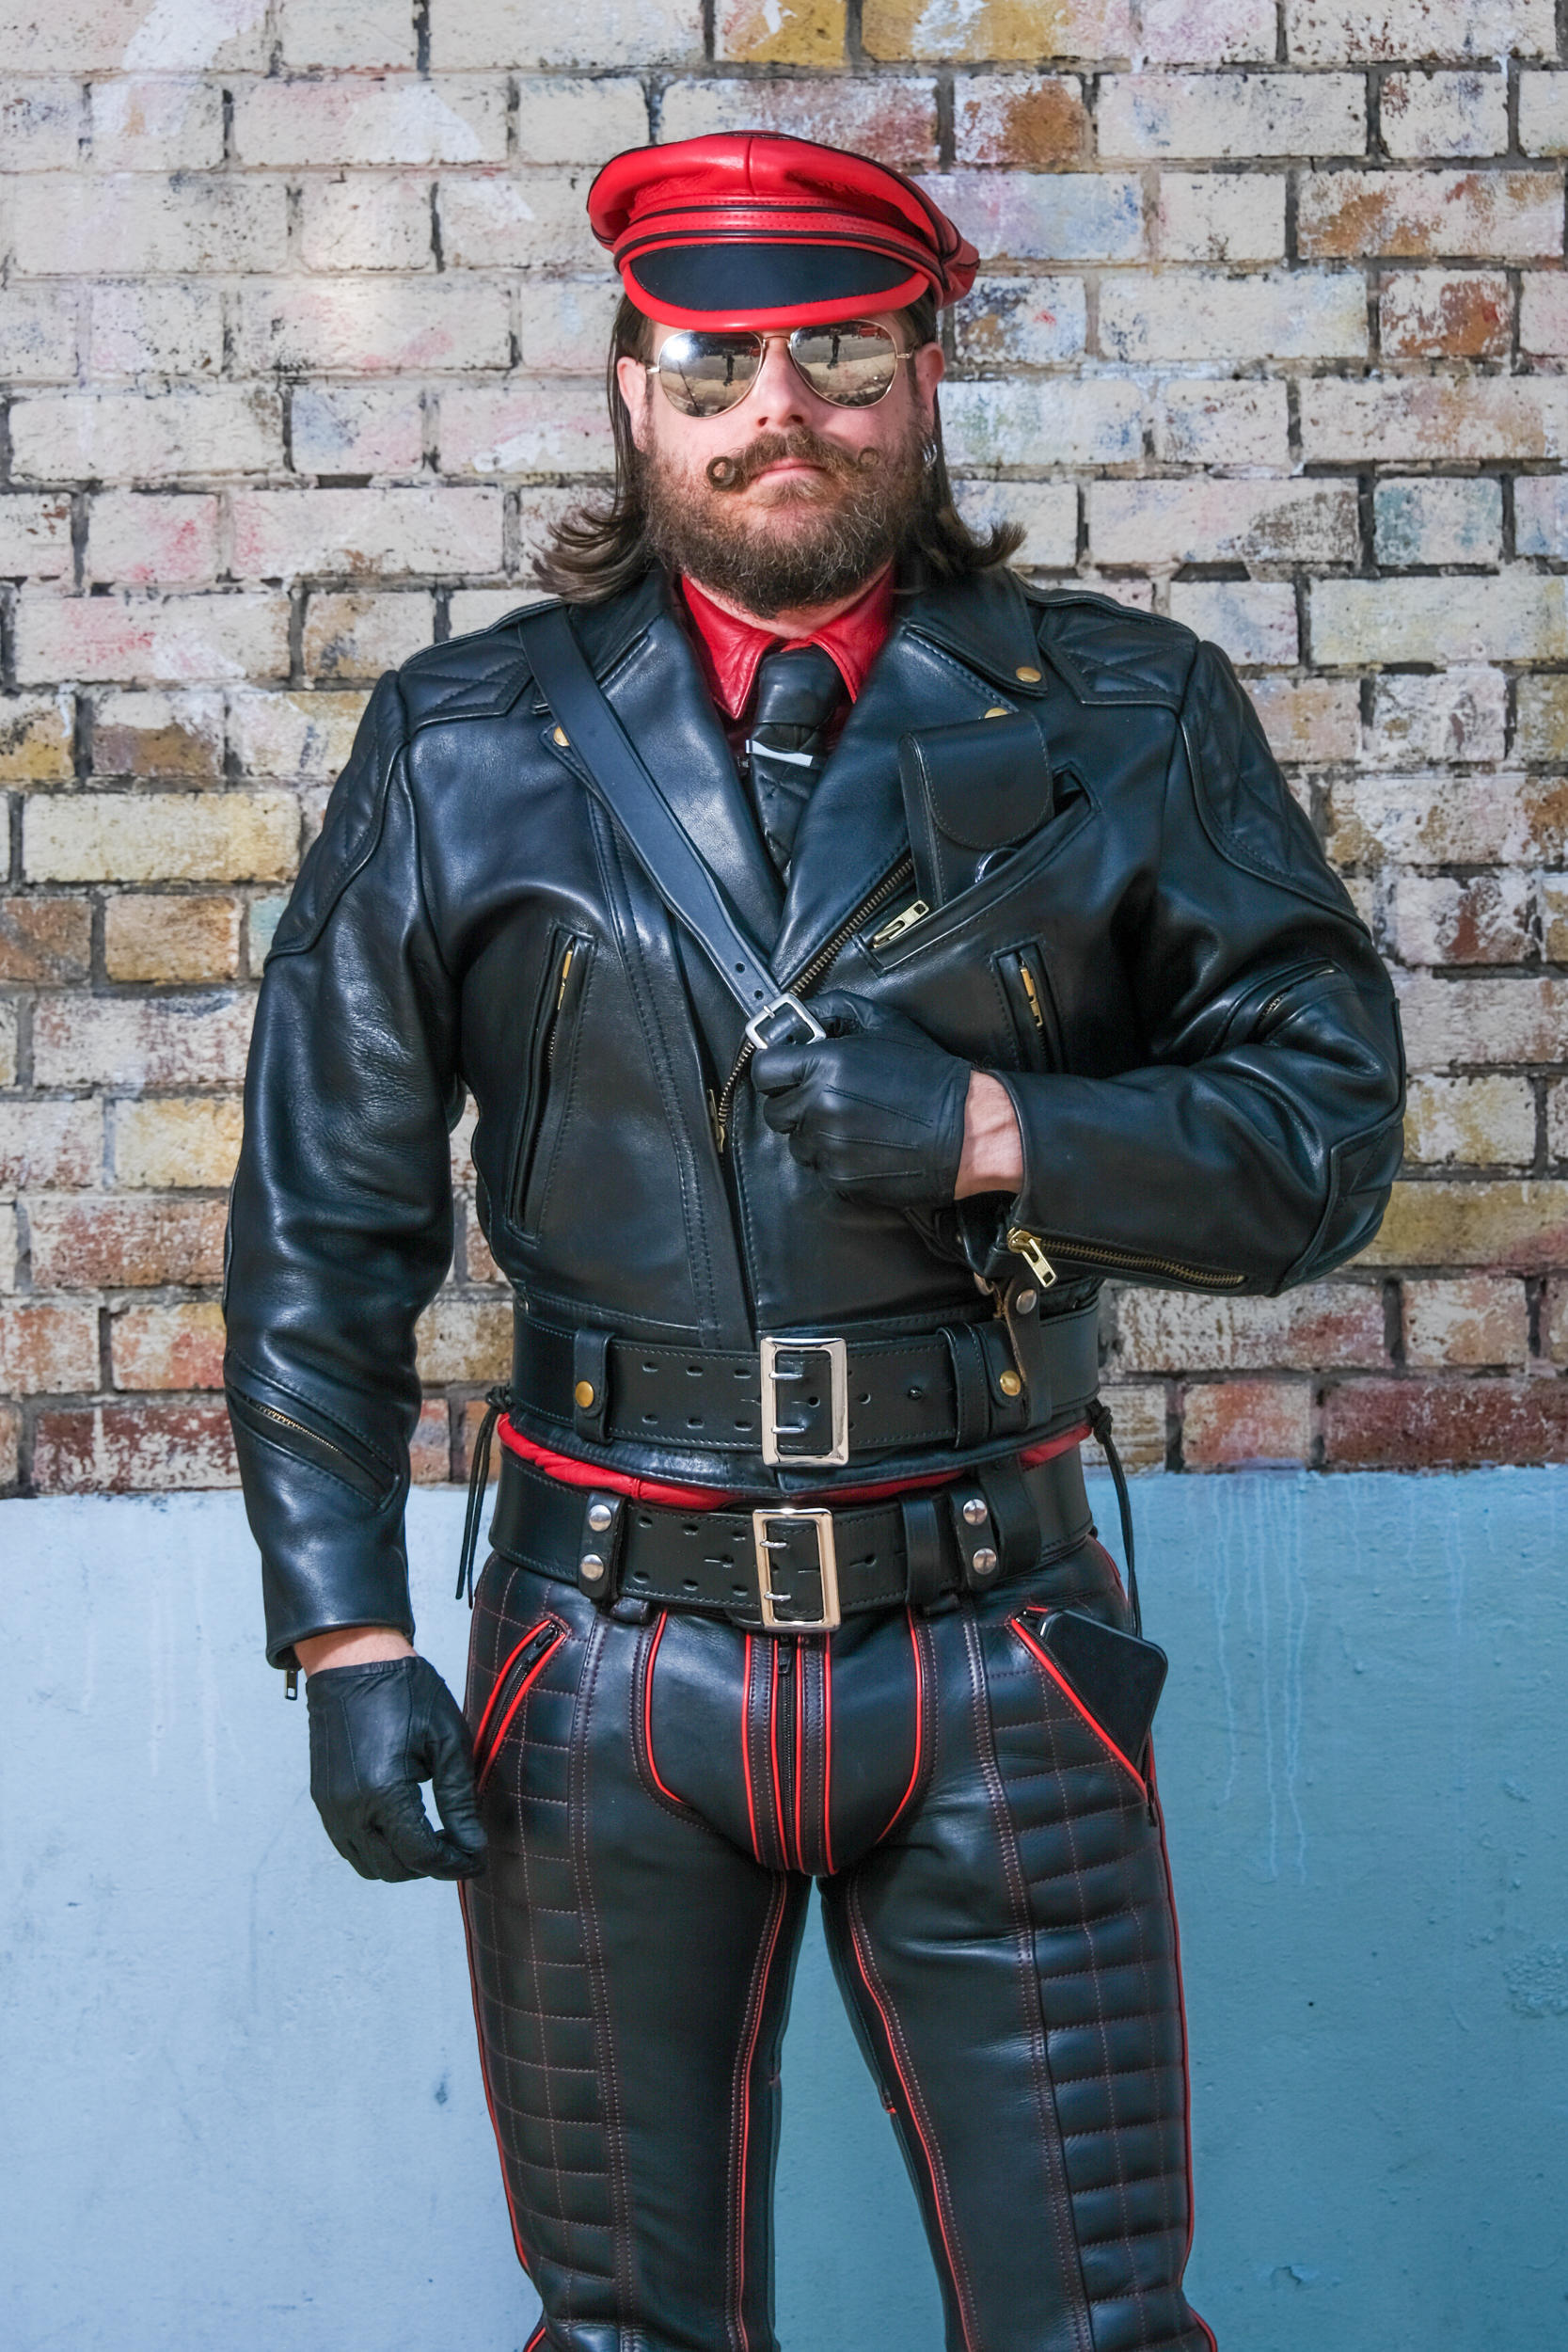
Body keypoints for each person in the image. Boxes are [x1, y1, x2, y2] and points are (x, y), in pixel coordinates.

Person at [226, 133, 1403, 2352]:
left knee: (1097, 2328)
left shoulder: (1128, 718)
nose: (784, 406)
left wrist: (989, 1127)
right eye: (723, 359)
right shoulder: (462, 745)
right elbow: (324, 1219)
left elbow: (1321, 1134)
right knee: (621, 2330)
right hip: (592, 1650)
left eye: (840, 351)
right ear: (630, 390)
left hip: (994, 1629)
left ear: (926, 376)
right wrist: (341, 1638)